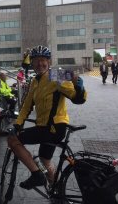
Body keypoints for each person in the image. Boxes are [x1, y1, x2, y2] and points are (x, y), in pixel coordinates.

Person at [9, 46, 86, 188]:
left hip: (53, 127)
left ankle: (36, 175)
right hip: (45, 127)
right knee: (45, 159)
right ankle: (56, 190)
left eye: (43, 60)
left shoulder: (55, 74)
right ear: (32, 63)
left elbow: (76, 97)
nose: (40, 64)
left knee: (13, 140)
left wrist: (79, 86)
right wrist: (18, 123)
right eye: (36, 60)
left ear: (49, 62)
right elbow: (27, 105)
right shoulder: (35, 81)